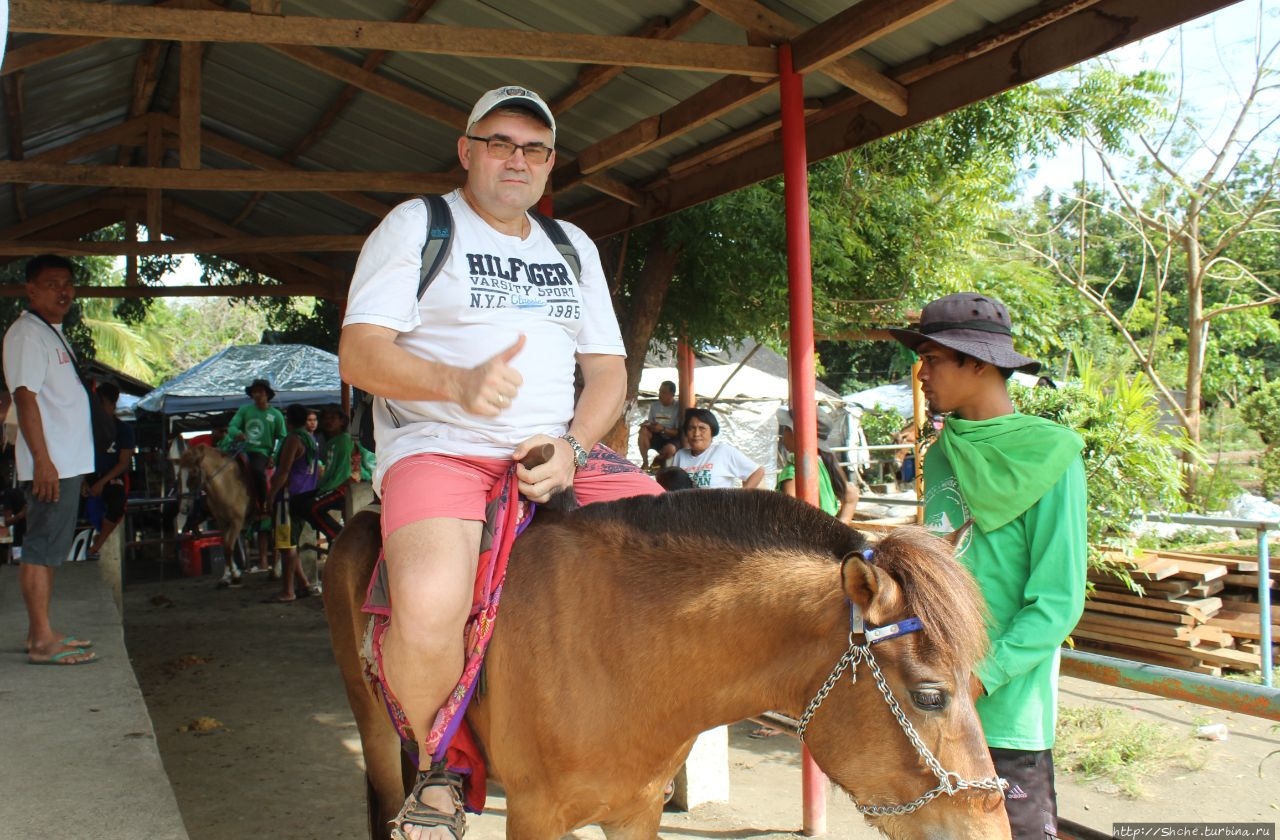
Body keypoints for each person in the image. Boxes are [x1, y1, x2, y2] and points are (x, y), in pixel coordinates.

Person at [339, 84, 662, 840]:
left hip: (555, 449)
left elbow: (609, 374)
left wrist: (572, 447)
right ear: (467, 151)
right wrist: (456, 384)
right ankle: (436, 772)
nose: (517, 160)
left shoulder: (570, 245)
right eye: (500, 143)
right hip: (439, 446)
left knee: (677, 557)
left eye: (534, 149)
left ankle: (640, 737)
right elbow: (359, 353)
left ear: (550, 164)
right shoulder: (419, 226)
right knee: (426, 603)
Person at [889, 292, 1086, 840]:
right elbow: (941, 567)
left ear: (976, 362)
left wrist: (979, 680)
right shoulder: (945, 450)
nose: (922, 374)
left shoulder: (1054, 456)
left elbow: (1057, 602)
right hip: (931, 700)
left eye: (931, 360)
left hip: (1005, 712)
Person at [2, 254, 97, 665]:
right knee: (40, 547)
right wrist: (42, 461)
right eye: (53, 283)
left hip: (65, 461)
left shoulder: (50, 332)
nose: (64, 291)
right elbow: (25, 397)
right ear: (32, 290)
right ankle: (41, 641)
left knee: (51, 548)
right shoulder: (26, 335)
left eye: (69, 284)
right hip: (52, 462)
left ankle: (41, 631)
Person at [220, 378, 286, 573]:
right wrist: (237, 433)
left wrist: (274, 455)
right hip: (242, 449)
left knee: (257, 471)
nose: (257, 395)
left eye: (261, 391)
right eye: (254, 392)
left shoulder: (275, 415)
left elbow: (281, 437)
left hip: (262, 452)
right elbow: (232, 427)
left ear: (267, 394)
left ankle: (262, 503)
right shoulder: (244, 411)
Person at [263, 403, 320, 602]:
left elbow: (283, 471)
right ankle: (303, 583)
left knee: (287, 545)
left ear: (288, 420)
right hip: (305, 494)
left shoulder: (294, 439)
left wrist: (270, 495)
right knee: (291, 542)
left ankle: (288, 591)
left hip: (288, 496)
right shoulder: (311, 439)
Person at [775, 407, 858, 523]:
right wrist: (840, 528)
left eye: (786, 429)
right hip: (825, 536)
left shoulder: (793, 470)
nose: (783, 434)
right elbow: (852, 496)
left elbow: (791, 515)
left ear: (796, 434)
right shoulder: (824, 463)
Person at [84, 382, 136, 559]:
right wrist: (83, 480)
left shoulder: (123, 429)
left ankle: (99, 543)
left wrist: (101, 482)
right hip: (88, 475)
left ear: (112, 405)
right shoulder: (86, 429)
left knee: (117, 501)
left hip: (112, 477)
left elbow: (123, 463)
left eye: (102, 404)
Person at [670, 407, 763, 489]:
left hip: (719, 508)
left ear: (712, 432)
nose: (696, 434)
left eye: (702, 428)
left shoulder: (723, 451)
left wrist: (741, 497)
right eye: (691, 428)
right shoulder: (680, 455)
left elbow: (757, 472)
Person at [308, 407, 354, 543]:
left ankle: (340, 539)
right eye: (326, 418)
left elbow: (342, 472)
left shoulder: (344, 440)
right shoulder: (331, 442)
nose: (328, 422)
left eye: (333, 418)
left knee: (313, 508)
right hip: (334, 485)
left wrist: (323, 489)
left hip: (344, 486)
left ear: (342, 421)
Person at [638, 380, 681, 470]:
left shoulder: (678, 407)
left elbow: (678, 432)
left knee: (670, 449)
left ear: (672, 394)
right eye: (660, 391)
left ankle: (658, 460)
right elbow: (651, 422)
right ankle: (645, 463)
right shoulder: (655, 406)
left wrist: (662, 429)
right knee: (643, 431)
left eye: (663, 392)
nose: (660, 395)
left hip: (672, 438)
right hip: (658, 436)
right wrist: (648, 425)